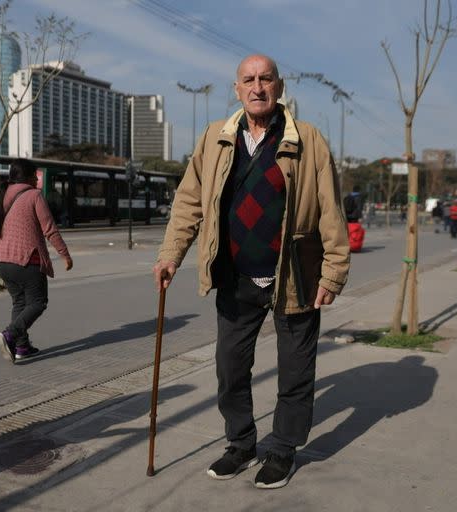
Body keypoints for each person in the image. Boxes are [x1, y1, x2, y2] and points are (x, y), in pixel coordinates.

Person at [152, 55, 350, 490]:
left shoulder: (310, 140)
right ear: (237, 88)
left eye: (265, 79)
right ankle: (241, 443)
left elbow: (331, 210)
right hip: (235, 277)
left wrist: (333, 273)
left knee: (295, 372)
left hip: (294, 276)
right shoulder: (214, 139)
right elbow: (189, 201)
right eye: (248, 80)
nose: (257, 87)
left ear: (279, 86)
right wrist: (172, 254)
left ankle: (282, 450)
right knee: (230, 368)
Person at [0, 159, 73, 364]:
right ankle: (10, 334)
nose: (37, 178)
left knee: (19, 302)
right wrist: (65, 254)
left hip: (2, 259)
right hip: (27, 259)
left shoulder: (0, 195)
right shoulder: (34, 195)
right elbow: (49, 229)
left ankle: (22, 347)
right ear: (27, 176)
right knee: (38, 302)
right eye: (34, 174)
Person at [344, 185, 365, 252]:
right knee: (354, 231)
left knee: (348, 230)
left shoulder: (348, 196)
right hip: (355, 216)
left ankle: (347, 245)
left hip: (347, 216)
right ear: (359, 190)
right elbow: (359, 208)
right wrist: (360, 217)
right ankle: (354, 245)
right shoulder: (359, 197)